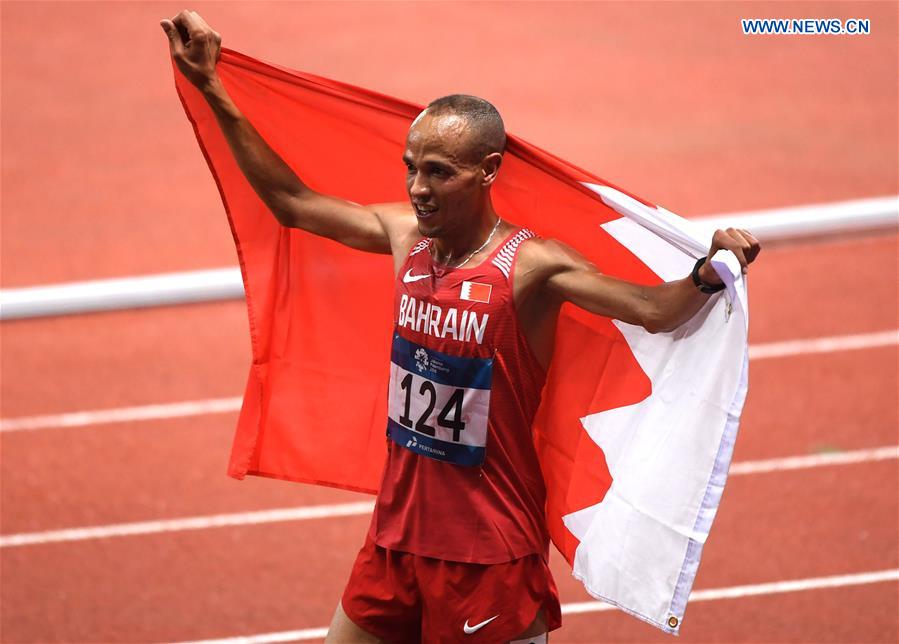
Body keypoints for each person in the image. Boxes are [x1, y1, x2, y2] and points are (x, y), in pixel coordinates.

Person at [161, 10, 760, 643]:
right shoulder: (406, 238)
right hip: (396, 539)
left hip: (488, 555)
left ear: (490, 170)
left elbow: (654, 311)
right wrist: (212, 87)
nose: (418, 188)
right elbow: (292, 204)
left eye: (439, 171)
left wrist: (707, 272)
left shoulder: (532, 267)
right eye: (412, 166)